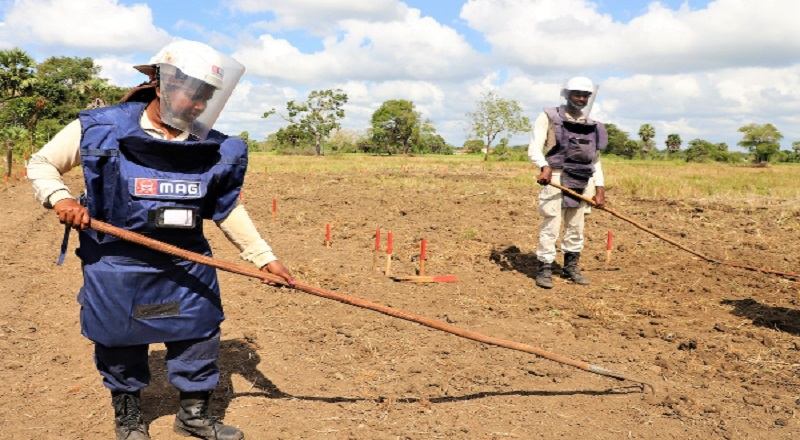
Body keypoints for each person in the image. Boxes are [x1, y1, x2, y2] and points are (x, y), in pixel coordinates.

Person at [27, 39, 295, 440]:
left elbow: (226, 207)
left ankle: (193, 415)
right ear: (159, 82)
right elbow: (42, 162)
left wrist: (263, 257)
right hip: (118, 260)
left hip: (187, 260)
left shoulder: (214, 148)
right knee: (118, 338)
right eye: (193, 93)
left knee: (199, 334)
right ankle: (129, 417)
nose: (199, 105)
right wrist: (60, 197)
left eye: (207, 97)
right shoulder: (100, 129)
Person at [527, 76, 608, 289]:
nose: (581, 98)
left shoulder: (592, 123)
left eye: (585, 95)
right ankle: (544, 268)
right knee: (551, 223)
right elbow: (534, 148)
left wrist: (599, 189)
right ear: (567, 95)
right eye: (577, 94)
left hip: (583, 179)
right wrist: (544, 166)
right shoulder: (548, 116)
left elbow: (596, 160)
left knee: (576, 226)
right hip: (555, 177)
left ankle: (570, 267)